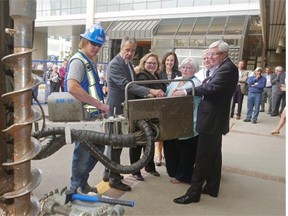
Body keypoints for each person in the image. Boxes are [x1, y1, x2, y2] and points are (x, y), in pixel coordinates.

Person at [172, 40, 238, 204]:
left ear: (224, 54)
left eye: (214, 54)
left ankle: (194, 193)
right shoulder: (223, 67)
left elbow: (210, 88)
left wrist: (185, 91)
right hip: (213, 119)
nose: (211, 57)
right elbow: (209, 85)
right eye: (209, 54)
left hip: (212, 120)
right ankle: (212, 187)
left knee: (202, 157)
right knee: (214, 156)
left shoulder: (227, 69)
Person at [103, 36, 164, 191]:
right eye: (127, 50)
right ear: (120, 49)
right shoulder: (115, 64)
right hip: (116, 108)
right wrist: (150, 91)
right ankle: (114, 178)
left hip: (124, 107)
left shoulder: (128, 64)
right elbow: (126, 85)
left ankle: (108, 172)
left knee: (115, 142)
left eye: (132, 50)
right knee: (116, 143)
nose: (129, 53)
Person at [65, 23, 109, 194]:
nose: (96, 48)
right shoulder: (78, 61)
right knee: (82, 155)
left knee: (98, 148)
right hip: (83, 118)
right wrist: (99, 104)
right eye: (93, 44)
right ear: (84, 41)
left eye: (99, 45)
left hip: (92, 117)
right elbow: (72, 87)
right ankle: (75, 187)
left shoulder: (88, 61)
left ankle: (82, 182)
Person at [129, 53, 166, 181]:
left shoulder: (157, 75)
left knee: (151, 141)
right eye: (149, 63)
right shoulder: (141, 76)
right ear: (144, 63)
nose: (151, 65)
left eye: (154, 63)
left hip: (153, 114)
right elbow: (142, 92)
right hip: (141, 114)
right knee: (138, 143)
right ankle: (135, 170)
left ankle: (150, 167)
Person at [164, 57, 201, 184]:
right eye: (184, 67)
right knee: (171, 147)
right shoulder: (176, 80)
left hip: (189, 119)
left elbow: (193, 96)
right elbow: (167, 94)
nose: (185, 70)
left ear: (195, 70)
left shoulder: (195, 83)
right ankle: (173, 172)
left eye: (189, 67)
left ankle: (182, 175)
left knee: (186, 150)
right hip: (172, 119)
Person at [156, 52, 180, 166]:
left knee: (171, 132)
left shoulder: (178, 73)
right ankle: (158, 155)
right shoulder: (159, 73)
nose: (169, 62)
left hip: (174, 106)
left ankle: (168, 155)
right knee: (161, 132)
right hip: (161, 105)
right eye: (168, 60)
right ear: (164, 61)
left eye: (172, 60)